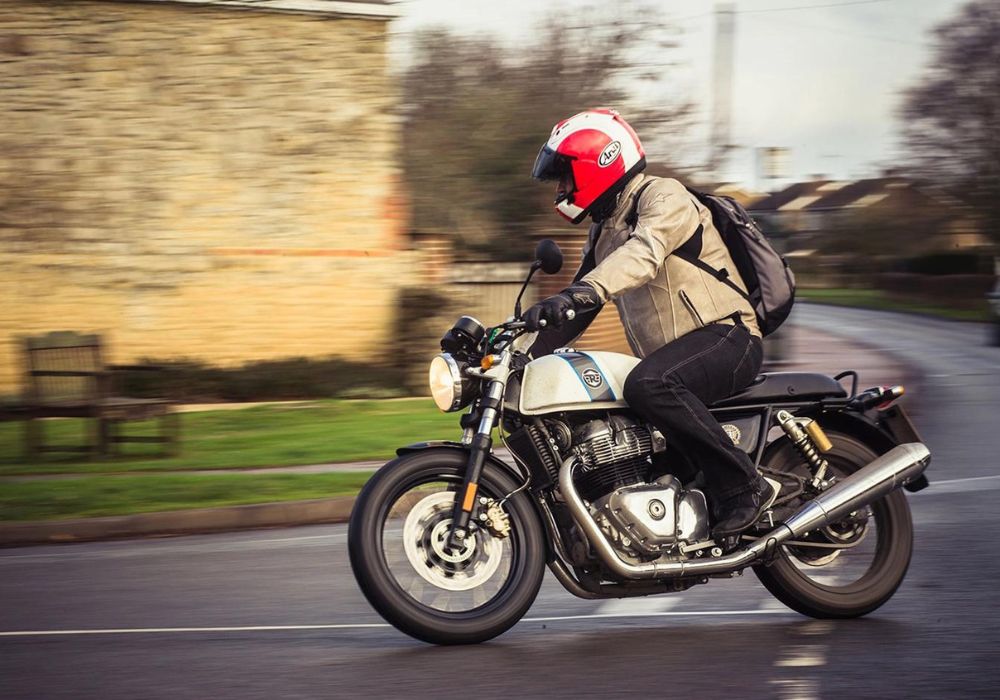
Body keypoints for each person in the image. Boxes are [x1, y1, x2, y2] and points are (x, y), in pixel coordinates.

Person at [525, 108, 775, 538]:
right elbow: (577, 309)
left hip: (729, 337)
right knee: (641, 446)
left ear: (600, 163)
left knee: (648, 384)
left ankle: (745, 488)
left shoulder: (663, 196)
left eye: (566, 176)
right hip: (679, 358)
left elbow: (643, 253)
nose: (561, 189)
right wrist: (516, 350)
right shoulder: (603, 231)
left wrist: (586, 290)